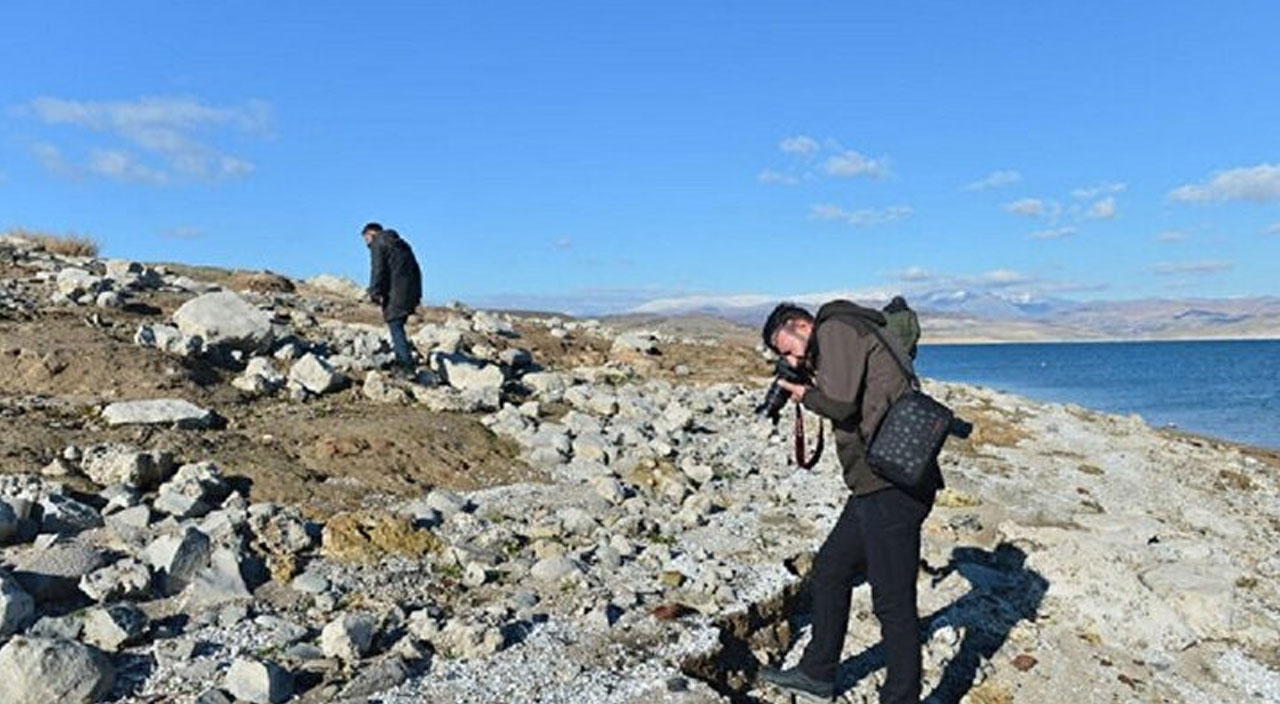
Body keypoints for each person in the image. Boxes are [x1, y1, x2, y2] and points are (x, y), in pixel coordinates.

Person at [758, 300, 940, 704]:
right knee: (830, 570)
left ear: (801, 324)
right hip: (873, 485)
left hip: (891, 488)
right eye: (783, 356)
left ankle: (901, 697)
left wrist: (804, 393)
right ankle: (817, 673)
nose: (790, 357)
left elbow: (840, 404)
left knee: (892, 603)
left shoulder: (836, 327)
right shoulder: (841, 337)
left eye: (786, 347)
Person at [362, 222, 422, 374]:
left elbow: (378, 270)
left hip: (395, 293)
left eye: (365, 239)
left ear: (370, 234)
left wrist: (374, 292)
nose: (366, 244)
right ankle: (402, 359)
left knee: (395, 326)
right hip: (409, 292)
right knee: (398, 325)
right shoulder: (402, 245)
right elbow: (416, 270)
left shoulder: (378, 244)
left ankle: (406, 366)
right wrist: (417, 295)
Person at [881, 295, 921, 360]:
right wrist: (908, 348)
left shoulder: (885, 314)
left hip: (890, 349)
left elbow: (881, 330)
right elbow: (916, 332)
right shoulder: (910, 314)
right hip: (907, 350)